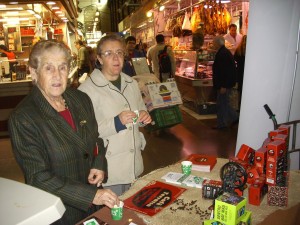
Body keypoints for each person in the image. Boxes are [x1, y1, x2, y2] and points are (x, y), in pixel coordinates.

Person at [8, 40, 119, 225]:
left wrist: (99, 164)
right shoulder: (24, 118)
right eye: (48, 68)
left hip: (94, 208)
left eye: (62, 67)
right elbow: (38, 177)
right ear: (34, 73)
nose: (57, 76)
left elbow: (96, 140)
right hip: (60, 213)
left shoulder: (81, 99)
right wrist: (91, 195)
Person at [78, 34, 152, 196]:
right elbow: (84, 133)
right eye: (108, 53)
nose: (115, 58)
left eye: (119, 52)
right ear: (99, 58)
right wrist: (116, 122)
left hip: (135, 166)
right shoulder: (86, 91)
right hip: (110, 170)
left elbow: (140, 110)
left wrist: (144, 117)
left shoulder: (131, 83)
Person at [212, 36, 239, 129]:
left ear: (217, 43)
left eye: (213, 42)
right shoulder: (224, 52)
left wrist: (223, 85)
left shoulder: (222, 53)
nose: (212, 44)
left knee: (222, 104)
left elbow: (224, 71)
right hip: (225, 84)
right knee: (224, 103)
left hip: (223, 85)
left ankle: (222, 124)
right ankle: (234, 118)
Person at [234, 35, 247, 109]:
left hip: (240, 71)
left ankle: (239, 105)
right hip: (247, 72)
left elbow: (235, 59)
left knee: (240, 89)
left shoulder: (238, 49)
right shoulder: (250, 49)